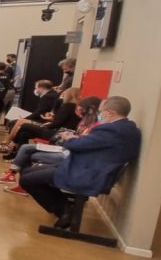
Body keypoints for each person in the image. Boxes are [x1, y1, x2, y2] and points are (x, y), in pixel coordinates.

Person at [19, 96, 141, 226]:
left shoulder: (110, 130)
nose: (99, 115)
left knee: (27, 179)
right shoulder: (128, 128)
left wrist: (68, 138)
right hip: (91, 169)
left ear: (110, 113)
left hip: (87, 173)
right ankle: (64, 208)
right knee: (28, 172)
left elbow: (76, 146)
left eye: (101, 111)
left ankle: (64, 211)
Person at [0, 95, 99, 192]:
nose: (79, 112)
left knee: (27, 146)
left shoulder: (95, 126)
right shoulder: (85, 122)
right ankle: (14, 175)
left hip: (66, 151)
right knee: (25, 141)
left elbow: (81, 143)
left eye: (82, 109)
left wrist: (69, 138)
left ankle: (16, 176)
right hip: (65, 144)